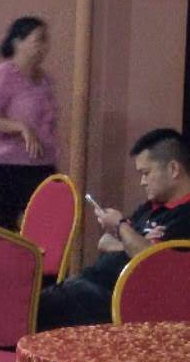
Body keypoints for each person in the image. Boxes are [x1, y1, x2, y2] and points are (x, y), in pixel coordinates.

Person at [35, 128, 190, 329]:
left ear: (174, 169)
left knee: (28, 311)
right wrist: (135, 243)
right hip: (88, 285)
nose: (142, 182)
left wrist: (121, 226)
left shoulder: (184, 215)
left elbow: (152, 262)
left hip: (118, 300)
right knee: (24, 302)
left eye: (146, 173)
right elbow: (105, 242)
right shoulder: (150, 207)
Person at [0, 16, 59, 229]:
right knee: (0, 230)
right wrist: (20, 127)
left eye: (46, 40)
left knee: (45, 229)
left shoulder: (45, 80)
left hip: (41, 166)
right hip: (6, 168)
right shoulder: (3, 75)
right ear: (18, 42)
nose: (44, 46)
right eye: (38, 39)